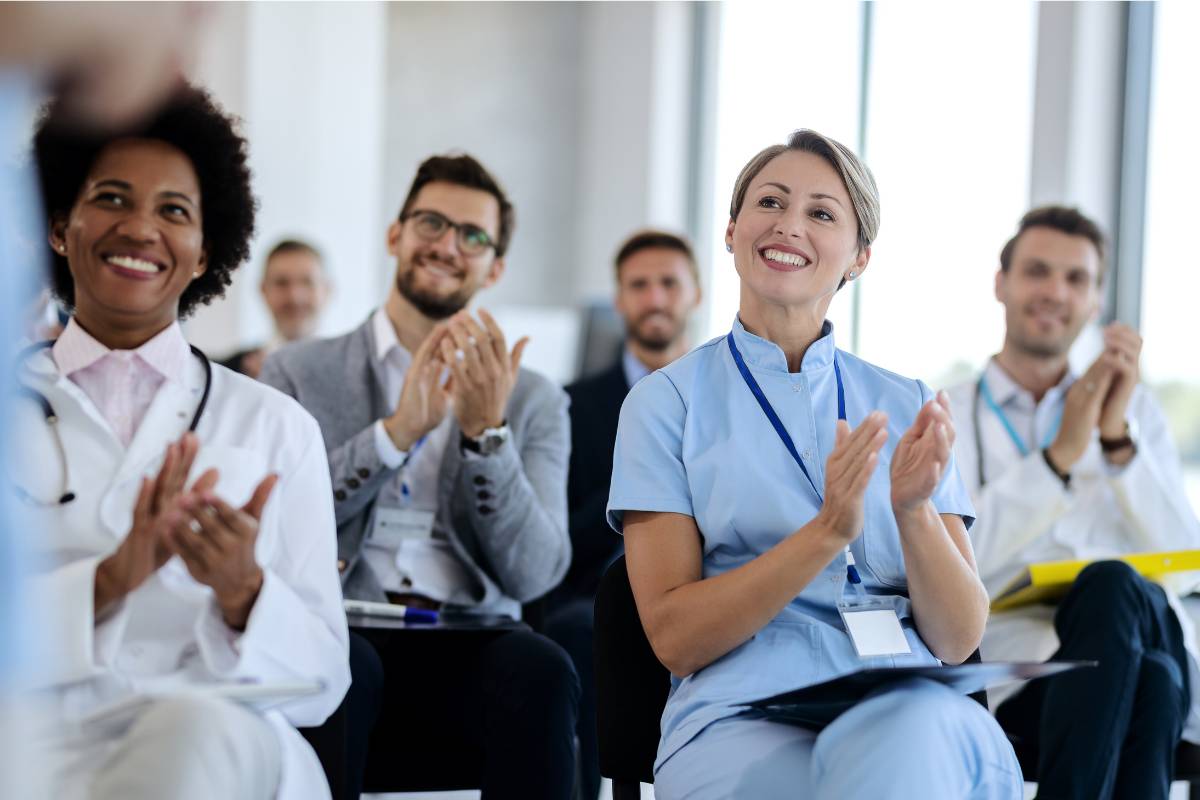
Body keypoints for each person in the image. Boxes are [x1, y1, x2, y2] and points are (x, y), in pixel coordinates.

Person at [608, 129, 1023, 799]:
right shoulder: (665, 403)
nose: (789, 225)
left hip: (905, 698)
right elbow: (676, 640)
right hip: (742, 713)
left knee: (908, 739)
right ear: (733, 229)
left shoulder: (907, 404)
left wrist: (913, 512)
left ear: (859, 258)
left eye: (821, 213)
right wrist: (828, 532)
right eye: (770, 202)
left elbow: (956, 637)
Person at [18, 85, 350, 800]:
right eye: (110, 198)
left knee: (194, 734)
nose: (140, 228)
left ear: (206, 252)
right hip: (33, 739)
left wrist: (245, 594)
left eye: (174, 211)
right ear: (57, 226)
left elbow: (325, 681)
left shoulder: (274, 424)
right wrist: (107, 582)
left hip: (219, 745)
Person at [260, 153, 579, 799]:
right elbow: (277, 528)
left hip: (473, 635)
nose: (446, 245)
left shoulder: (534, 398)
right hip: (344, 627)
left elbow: (536, 573)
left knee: (542, 668)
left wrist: (487, 435)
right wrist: (394, 434)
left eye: (473, 235)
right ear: (395, 235)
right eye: (430, 223)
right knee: (345, 665)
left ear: (495, 267)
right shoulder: (295, 372)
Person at [946, 205, 1200, 799]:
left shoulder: (1134, 415)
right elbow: (953, 561)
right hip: (1023, 676)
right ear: (1001, 283)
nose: (1055, 292)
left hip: (1139, 631)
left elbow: (1187, 556)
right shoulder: (947, 412)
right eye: (1037, 271)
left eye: (1076, 279)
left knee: (1114, 588)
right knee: (1155, 681)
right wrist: (1057, 460)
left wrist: (1115, 443)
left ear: (1094, 300)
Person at [546, 228, 700, 799]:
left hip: (709, 584)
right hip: (594, 595)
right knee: (580, 629)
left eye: (668, 283)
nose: (655, 298)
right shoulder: (570, 404)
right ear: (619, 301)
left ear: (695, 293)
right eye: (639, 285)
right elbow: (558, 539)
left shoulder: (725, 398)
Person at [222, 238, 330, 378]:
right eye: (282, 283)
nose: (295, 297)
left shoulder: (353, 374)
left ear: (327, 290)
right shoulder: (229, 374)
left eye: (307, 282)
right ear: (263, 290)